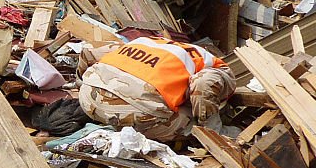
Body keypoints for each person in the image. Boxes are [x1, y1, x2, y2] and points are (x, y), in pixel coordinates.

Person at [78, 35, 235, 142]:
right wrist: (211, 128)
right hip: (136, 117)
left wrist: (80, 82)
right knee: (188, 117)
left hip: (86, 100)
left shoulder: (145, 42)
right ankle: (213, 136)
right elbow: (204, 85)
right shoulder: (216, 70)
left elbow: (88, 51)